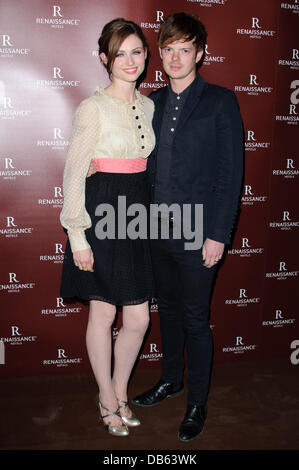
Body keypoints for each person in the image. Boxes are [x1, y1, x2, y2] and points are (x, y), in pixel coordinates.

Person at [132, 12, 244, 442]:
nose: (176, 57)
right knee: (170, 313)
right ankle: (171, 379)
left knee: (196, 319)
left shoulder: (220, 101)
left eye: (185, 49)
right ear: (160, 54)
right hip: (154, 230)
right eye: (169, 49)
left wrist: (218, 234)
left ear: (200, 52)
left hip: (199, 233)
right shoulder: (151, 102)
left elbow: (230, 174)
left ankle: (197, 400)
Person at [59, 18, 155, 437]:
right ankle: (105, 396)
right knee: (104, 311)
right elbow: (74, 174)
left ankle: (119, 390)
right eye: (120, 54)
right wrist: (77, 235)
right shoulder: (91, 107)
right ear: (105, 59)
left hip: (138, 216)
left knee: (137, 319)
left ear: (146, 56)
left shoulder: (150, 105)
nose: (129, 61)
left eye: (136, 51)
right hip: (101, 215)